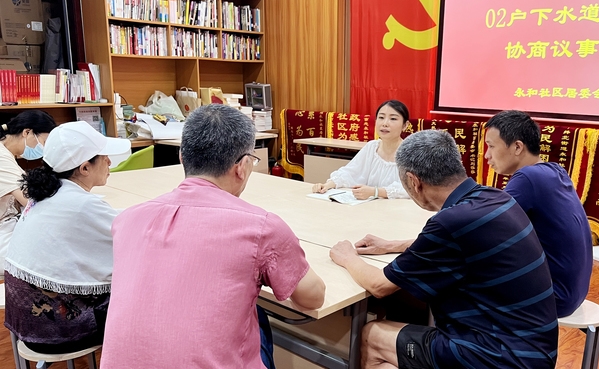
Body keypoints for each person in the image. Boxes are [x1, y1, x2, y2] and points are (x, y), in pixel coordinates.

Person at [100, 104, 326, 369]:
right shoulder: (261, 227)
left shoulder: (126, 220)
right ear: (242, 167)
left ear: (182, 157)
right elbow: (313, 298)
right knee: (257, 319)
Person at [330, 130, 558, 369]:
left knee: (372, 336)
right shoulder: (495, 198)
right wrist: (392, 245)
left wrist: (348, 257)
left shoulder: (449, 223)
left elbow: (379, 286)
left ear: (414, 181)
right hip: (536, 348)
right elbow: (460, 245)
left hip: (502, 356)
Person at [4, 120, 130, 354]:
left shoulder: (46, 193)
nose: (110, 162)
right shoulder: (81, 204)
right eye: (104, 157)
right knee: (143, 288)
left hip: (26, 320)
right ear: (85, 168)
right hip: (56, 332)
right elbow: (131, 236)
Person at [484, 110, 593, 317]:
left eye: (491, 146)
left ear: (517, 147)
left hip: (554, 297)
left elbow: (488, 226)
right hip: (573, 292)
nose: (486, 155)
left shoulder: (528, 177)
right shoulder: (554, 170)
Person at [312, 100, 410, 199]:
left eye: (393, 119)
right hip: (372, 205)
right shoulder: (372, 147)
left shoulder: (410, 153)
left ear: (405, 125)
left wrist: (375, 192)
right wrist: (327, 185)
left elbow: (409, 189)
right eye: (381, 117)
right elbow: (350, 172)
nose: (385, 123)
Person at [0, 110, 56, 268]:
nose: (43, 149)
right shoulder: (1, 157)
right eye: (43, 142)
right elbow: (30, 200)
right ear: (27, 132)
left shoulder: (7, 153)